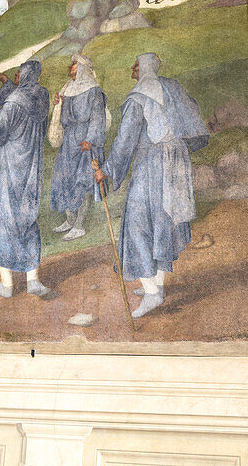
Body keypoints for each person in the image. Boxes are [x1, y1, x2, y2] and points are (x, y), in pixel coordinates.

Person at [94, 53, 209, 318]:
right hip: (178, 160)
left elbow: (125, 141)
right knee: (162, 222)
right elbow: (191, 113)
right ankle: (155, 284)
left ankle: (152, 292)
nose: (132, 68)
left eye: (135, 65)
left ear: (143, 68)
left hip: (154, 164)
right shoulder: (172, 86)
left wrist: (107, 170)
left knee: (138, 224)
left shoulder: (138, 97)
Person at [0, 60, 51, 298]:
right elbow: (22, 98)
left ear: (24, 75)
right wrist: (5, 81)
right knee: (27, 218)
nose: (15, 76)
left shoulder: (14, 104)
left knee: (3, 220)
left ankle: (7, 286)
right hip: (31, 166)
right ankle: (33, 280)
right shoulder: (41, 97)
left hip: (8, 167)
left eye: (18, 74)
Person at [50, 53, 107, 241]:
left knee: (82, 181)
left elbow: (98, 117)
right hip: (69, 140)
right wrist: (59, 106)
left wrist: (91, 138)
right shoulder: (68, 89)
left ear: (82, 68)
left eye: (73, 65)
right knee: (63, 178)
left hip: (85, 141)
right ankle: (70, 219)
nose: (70, 67)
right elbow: (64, 119)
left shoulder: (94, 90)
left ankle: (80, 224)